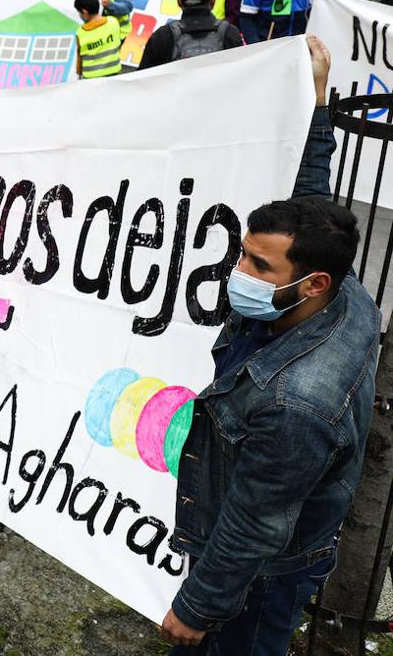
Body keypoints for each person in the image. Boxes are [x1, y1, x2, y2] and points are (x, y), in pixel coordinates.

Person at [159, 37, 379, 654]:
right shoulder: (343, 288)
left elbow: (255, 522)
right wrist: (316, 100)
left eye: (258, 265)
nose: (238, 271)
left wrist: (199, 606)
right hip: (277, 551)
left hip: (261, 578)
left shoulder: (295, 404)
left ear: (311, 283)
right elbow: (313, 198)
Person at [139, 0, 244, 70]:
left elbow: (142, 80)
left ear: (179, 1)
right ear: (213, 1)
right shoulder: (230, 33)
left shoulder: (163, 36)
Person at [74, 0, 122, 79]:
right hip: (114, 73)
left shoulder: (81, 32)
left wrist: (79, 73)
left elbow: (79, 58)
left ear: (84, 12)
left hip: (91, 78)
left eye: (79, 12)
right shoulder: (113, 22)